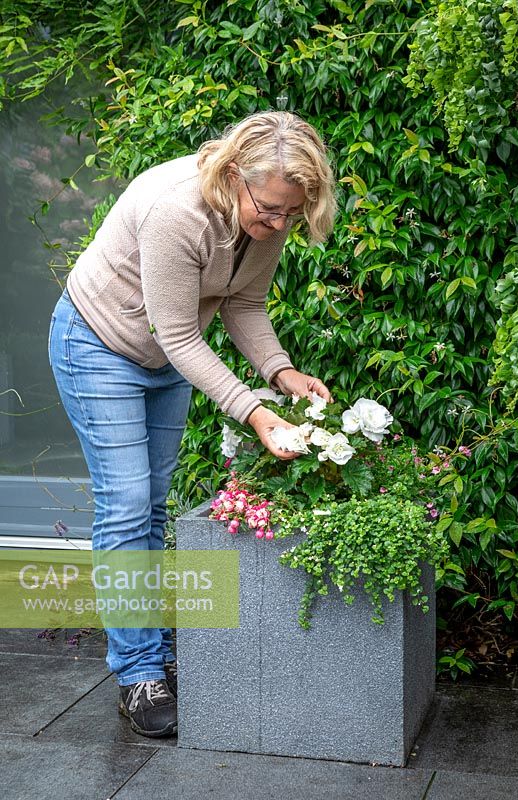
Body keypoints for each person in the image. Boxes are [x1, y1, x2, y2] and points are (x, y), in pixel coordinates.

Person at [47, 110, 337, 738]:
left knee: (151, 507)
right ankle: (138, 674)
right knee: (125, 506)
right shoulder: (177, 211)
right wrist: (256, 411)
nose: (279, 225)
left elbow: (244, 303)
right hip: (99, 344)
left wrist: (283, 374)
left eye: (291, 214)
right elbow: (177, 332)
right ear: (235, 175)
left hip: (167, 356)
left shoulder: (270, 206)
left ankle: (148, 644)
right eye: (270, 211)